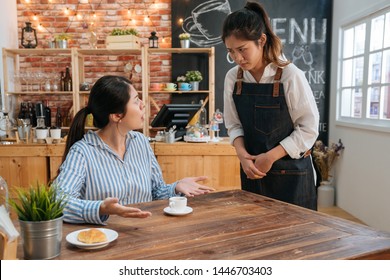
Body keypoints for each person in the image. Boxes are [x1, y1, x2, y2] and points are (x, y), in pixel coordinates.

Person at [55, 75, 214, 224]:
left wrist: (176, 186)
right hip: (104, 240)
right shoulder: (82, 152)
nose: (143, 104)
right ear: (117, 116)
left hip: (144, 234)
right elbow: (58, 201)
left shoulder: (142, 143)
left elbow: (156, 192)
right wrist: (100, 209)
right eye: (136, 100)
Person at [222, 1, 319, 210]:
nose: (237, 58)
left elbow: (309, 129)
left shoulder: (290, 75)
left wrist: (270, 156)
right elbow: (233, 124)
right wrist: (242, 154)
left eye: (242, 49)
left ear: (262, 40)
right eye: (231, 51)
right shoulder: (233, 78)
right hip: (253, 172)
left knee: (295, 239)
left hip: (293, 174)